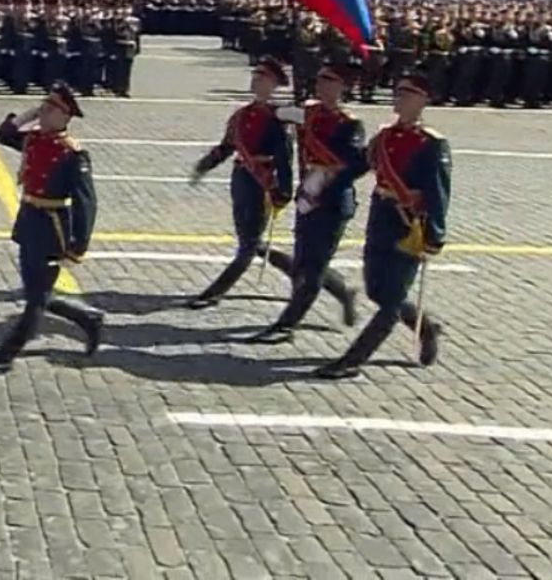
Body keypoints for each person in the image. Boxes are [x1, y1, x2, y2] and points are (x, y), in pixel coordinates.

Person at [315, 70, 448, 379]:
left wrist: (434, 235)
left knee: (389, 300)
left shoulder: (431, 144)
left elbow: (439, 192)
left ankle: (352, 360)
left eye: (407, 93)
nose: (398, 98)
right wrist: (328, 189)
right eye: (397, 91)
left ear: (423, 101)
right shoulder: (385, 137)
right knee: (377, 290)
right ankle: (426, 326)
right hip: (381, 217)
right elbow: (357, 167)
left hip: (409, 224)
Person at [0, 81, 102, 378]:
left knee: (35, 301)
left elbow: (86, 204)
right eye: (43, 107)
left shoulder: (73, 154)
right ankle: (88, 318)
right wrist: (29, 114)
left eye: (50, 109)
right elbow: (3, 134)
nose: (44, 113)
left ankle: (4, 356)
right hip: (29, 221)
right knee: (37, 291)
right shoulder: (34, 140)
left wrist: (77, 247)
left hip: (52, 226)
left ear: (65, 116)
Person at [248, 61, 361, 342]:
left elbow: (350, 165)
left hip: (333, 202)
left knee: (312, 269)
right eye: (320, 79)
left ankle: (286, 325)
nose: (323, 85)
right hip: (307, 197)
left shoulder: (350, 124)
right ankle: (343, 293)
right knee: (304, 265)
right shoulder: (305, 112)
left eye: (330, 81)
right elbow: (273, 114)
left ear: (343, 87)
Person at [186, 58, 297, 308]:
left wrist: (284, 190)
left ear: (274, 84)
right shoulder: (242, 114)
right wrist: (204, 165)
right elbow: (227, 146)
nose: (256, 81)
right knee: (251, 242)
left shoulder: (279, 116)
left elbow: (285, 155)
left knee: (248, 246)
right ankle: (314, 279)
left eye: (263, 78)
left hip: (263, 181)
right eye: (255, 76)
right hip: (242, 179)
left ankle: (213, 293)